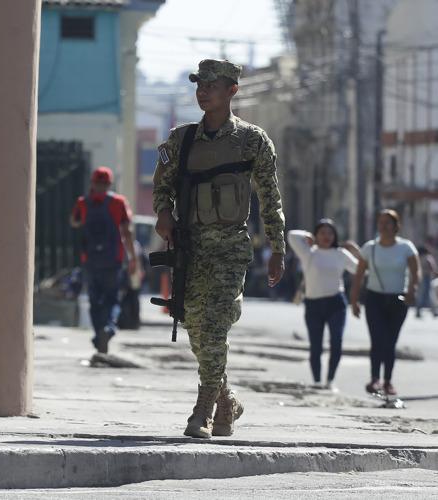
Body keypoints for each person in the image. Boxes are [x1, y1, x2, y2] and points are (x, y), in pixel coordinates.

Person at [153, 59, 286, 438]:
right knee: (196, 327)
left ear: (232, 90)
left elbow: (270, 197)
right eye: (199, 84)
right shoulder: (181, 140)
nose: (203, 91)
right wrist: (163, 212)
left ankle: (203, 411)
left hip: (230, 249)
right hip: (191, 248)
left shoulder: (252, 140)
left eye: (211, 85)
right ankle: (226, 400)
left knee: (214, 325)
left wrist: (277, 247)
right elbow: (162, 183)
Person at [350, 209, 419, 396]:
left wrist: (412, 290)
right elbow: (359, 276)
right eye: (381, 222)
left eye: (388, 222)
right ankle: (375, 379)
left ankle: (388, 381)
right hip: (375, 299)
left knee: (390, 341)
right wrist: (354, 300)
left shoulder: (406, 247)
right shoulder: (369, 248)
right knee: (377, 340)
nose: (384, 226)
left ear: (396, 226)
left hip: (398, 300)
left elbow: (415, 273)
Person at [70, 167, 138, 354]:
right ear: (110, 184)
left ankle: (99, 332)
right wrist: (133, 258)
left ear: (92, 183)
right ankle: (108, 328)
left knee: (94, 301)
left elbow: (74, 222)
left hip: (90, 260)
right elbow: (128, 231)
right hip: (113, 260)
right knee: (112, 299)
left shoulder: (83, 202)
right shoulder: (118, 202)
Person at [287, 219, 360, 390]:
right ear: (316, 235)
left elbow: (360, 269)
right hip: (313, 305)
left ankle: (330, 380)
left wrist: (356, 251)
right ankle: (317, 381)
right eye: (322, 233)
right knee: (316, 346)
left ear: (335, 236)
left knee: (337, 342)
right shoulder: (308, 253)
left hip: (336, 303)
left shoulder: (341, 254)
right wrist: (307, 236)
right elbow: (291, 236)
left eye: (330, 233)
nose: (326, 236)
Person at [415, 246, 438, 318]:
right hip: (427, 277)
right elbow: (432, 267)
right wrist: (435, 273)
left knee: (420, 294)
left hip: (420, 277)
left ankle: (418, 310)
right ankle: (434, 311)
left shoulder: (418, 257)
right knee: (430, 294)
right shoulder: (428, 257)